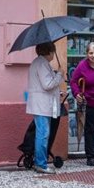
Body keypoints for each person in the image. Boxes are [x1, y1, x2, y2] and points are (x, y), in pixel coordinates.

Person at [26, 42, 64, 174]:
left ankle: (39, 162)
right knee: (43, 134)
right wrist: (59, 74)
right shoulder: (41, 64)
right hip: (42, 105)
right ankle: (41, 164)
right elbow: (47, 84)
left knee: (42, 133)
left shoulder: (39, 63)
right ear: (49, 52)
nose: (54, 54)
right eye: (53, 51)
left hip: (41, 104)